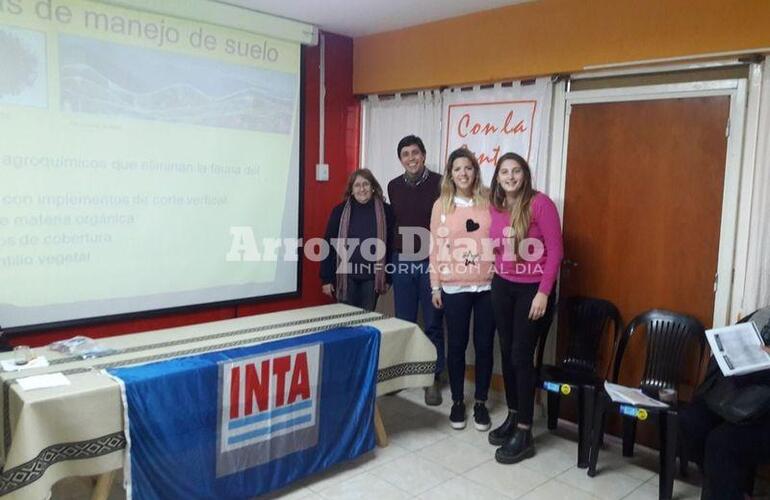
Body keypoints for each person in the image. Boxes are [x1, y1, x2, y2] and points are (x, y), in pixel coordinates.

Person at [487, 152, 563, 464]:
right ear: (498, 177)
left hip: (532, 290)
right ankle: (513, 413)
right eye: (504, 171)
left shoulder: (541, 203)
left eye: (515, 171)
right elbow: (495, 243)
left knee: (521, 355)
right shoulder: (497, 204)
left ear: (524, 174)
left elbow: (556, 252)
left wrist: (543, 293)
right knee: (506, 352)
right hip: (503, 286)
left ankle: (525, 431)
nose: (510, 176)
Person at [429, 147, 495, 430]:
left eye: (468, 168)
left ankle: (480, 403)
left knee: (484, 346)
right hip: (453, 286)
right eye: (457, 169)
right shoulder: (441, 205)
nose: (463, 173)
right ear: (450, 174)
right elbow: (435, 248)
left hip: (488, 286)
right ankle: (457, 401)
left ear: (475, 171)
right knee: (456, 345)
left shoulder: (490, 199)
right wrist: (435, 286)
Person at [679, 306, 770, 500]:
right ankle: (727, 488)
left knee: (722, 444)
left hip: (765, 415)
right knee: (691, 421)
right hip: (742, 399)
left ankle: (726, 488)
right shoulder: (763, 314)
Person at [387, 135, 445, 405]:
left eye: (415, 153)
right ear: (400, 159)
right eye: (405, 154)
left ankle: (432, 378)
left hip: (430, 261)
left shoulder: (440, 183)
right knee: (404, 322)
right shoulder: (393, 186)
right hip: (402, 260)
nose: (411, 158)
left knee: (433, 322)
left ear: (424, 155)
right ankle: (403, 376)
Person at [321, 169, 394, 311]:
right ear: (351, 190)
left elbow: (390, 245)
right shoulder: (340, 211)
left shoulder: (386, 211)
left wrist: (388, 277)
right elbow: (328, 245)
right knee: (345, 320)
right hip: (345, 277)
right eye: (357, 185)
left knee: (366, 320)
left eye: (366, 184)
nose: (362, 189)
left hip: (372, 278)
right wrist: (326, 279)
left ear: (373, 187)